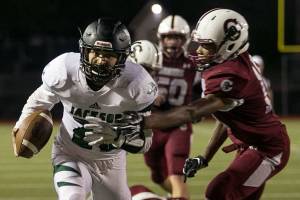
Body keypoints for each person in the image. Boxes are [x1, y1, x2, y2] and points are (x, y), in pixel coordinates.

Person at [119, 9, 290, 200]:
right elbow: (227, 120)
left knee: (217, 191)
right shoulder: (232, 60)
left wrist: (143, 122)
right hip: (251, 146)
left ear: (229, 44)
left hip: (268, 150)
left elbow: (192, 111)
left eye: (206, 46)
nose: (198, 50)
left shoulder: (232, 75)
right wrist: (205, 157)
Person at [12, 18, 158, 200]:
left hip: (111, 162)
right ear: (84, 51)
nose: (101, 60)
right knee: (72, 196)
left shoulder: (138, 85)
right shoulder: (64, 71)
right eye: (95, 52)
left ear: (122, 57)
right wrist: (21, 127)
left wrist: (120, 139)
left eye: (109, 55)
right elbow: (39, 101)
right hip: (70, 153)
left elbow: (146, 143)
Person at [141, 15, 199, 200]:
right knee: (157, 176)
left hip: (178, 124)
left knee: (177, 174)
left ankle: (178, 195)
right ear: (160, 38)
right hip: (154, 124)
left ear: (185, 39)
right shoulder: (151, 59)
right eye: (168, 37)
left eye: (177, 37)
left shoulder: (194, 63)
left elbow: (208, 90)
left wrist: (199, 108)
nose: (172, 42)